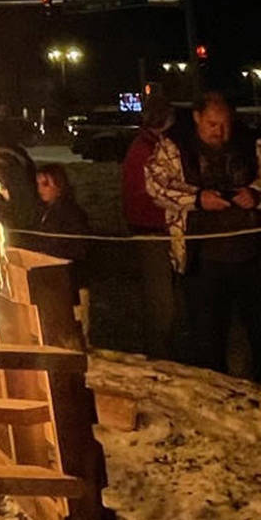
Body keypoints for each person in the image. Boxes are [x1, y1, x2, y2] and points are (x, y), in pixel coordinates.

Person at [145, 92, 261, 385]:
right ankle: (214, 397)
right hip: (202, 261)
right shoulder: (175, 148)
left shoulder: (254, 144)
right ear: (197, 117)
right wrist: (198, 199)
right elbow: (156, 185)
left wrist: (256, 194)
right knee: (207, 339)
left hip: (255, 257)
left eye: (225, 124)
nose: (219, 131)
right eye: (212, 124)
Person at [120, 95, 180, 358]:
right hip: (152, 229)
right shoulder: (149, 149)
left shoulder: (144, 145)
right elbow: (154, 192)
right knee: (160, 299)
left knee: (163, 297)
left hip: (150, 226)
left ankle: (163, 348)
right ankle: (159, 354)